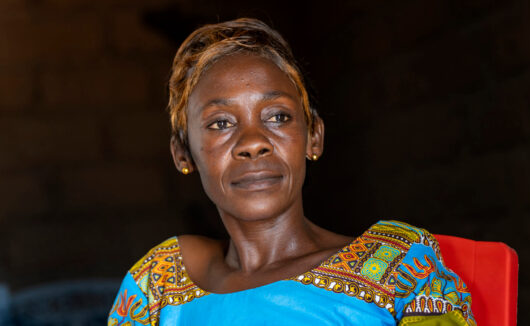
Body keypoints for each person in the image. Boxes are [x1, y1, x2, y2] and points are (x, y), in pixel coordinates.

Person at [108, 18, 476, 326]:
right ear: (182, 154)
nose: (253, 142)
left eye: (277, 117)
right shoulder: (158, 286)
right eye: (220, 123)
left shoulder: (396, 265)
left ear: (313, 137)